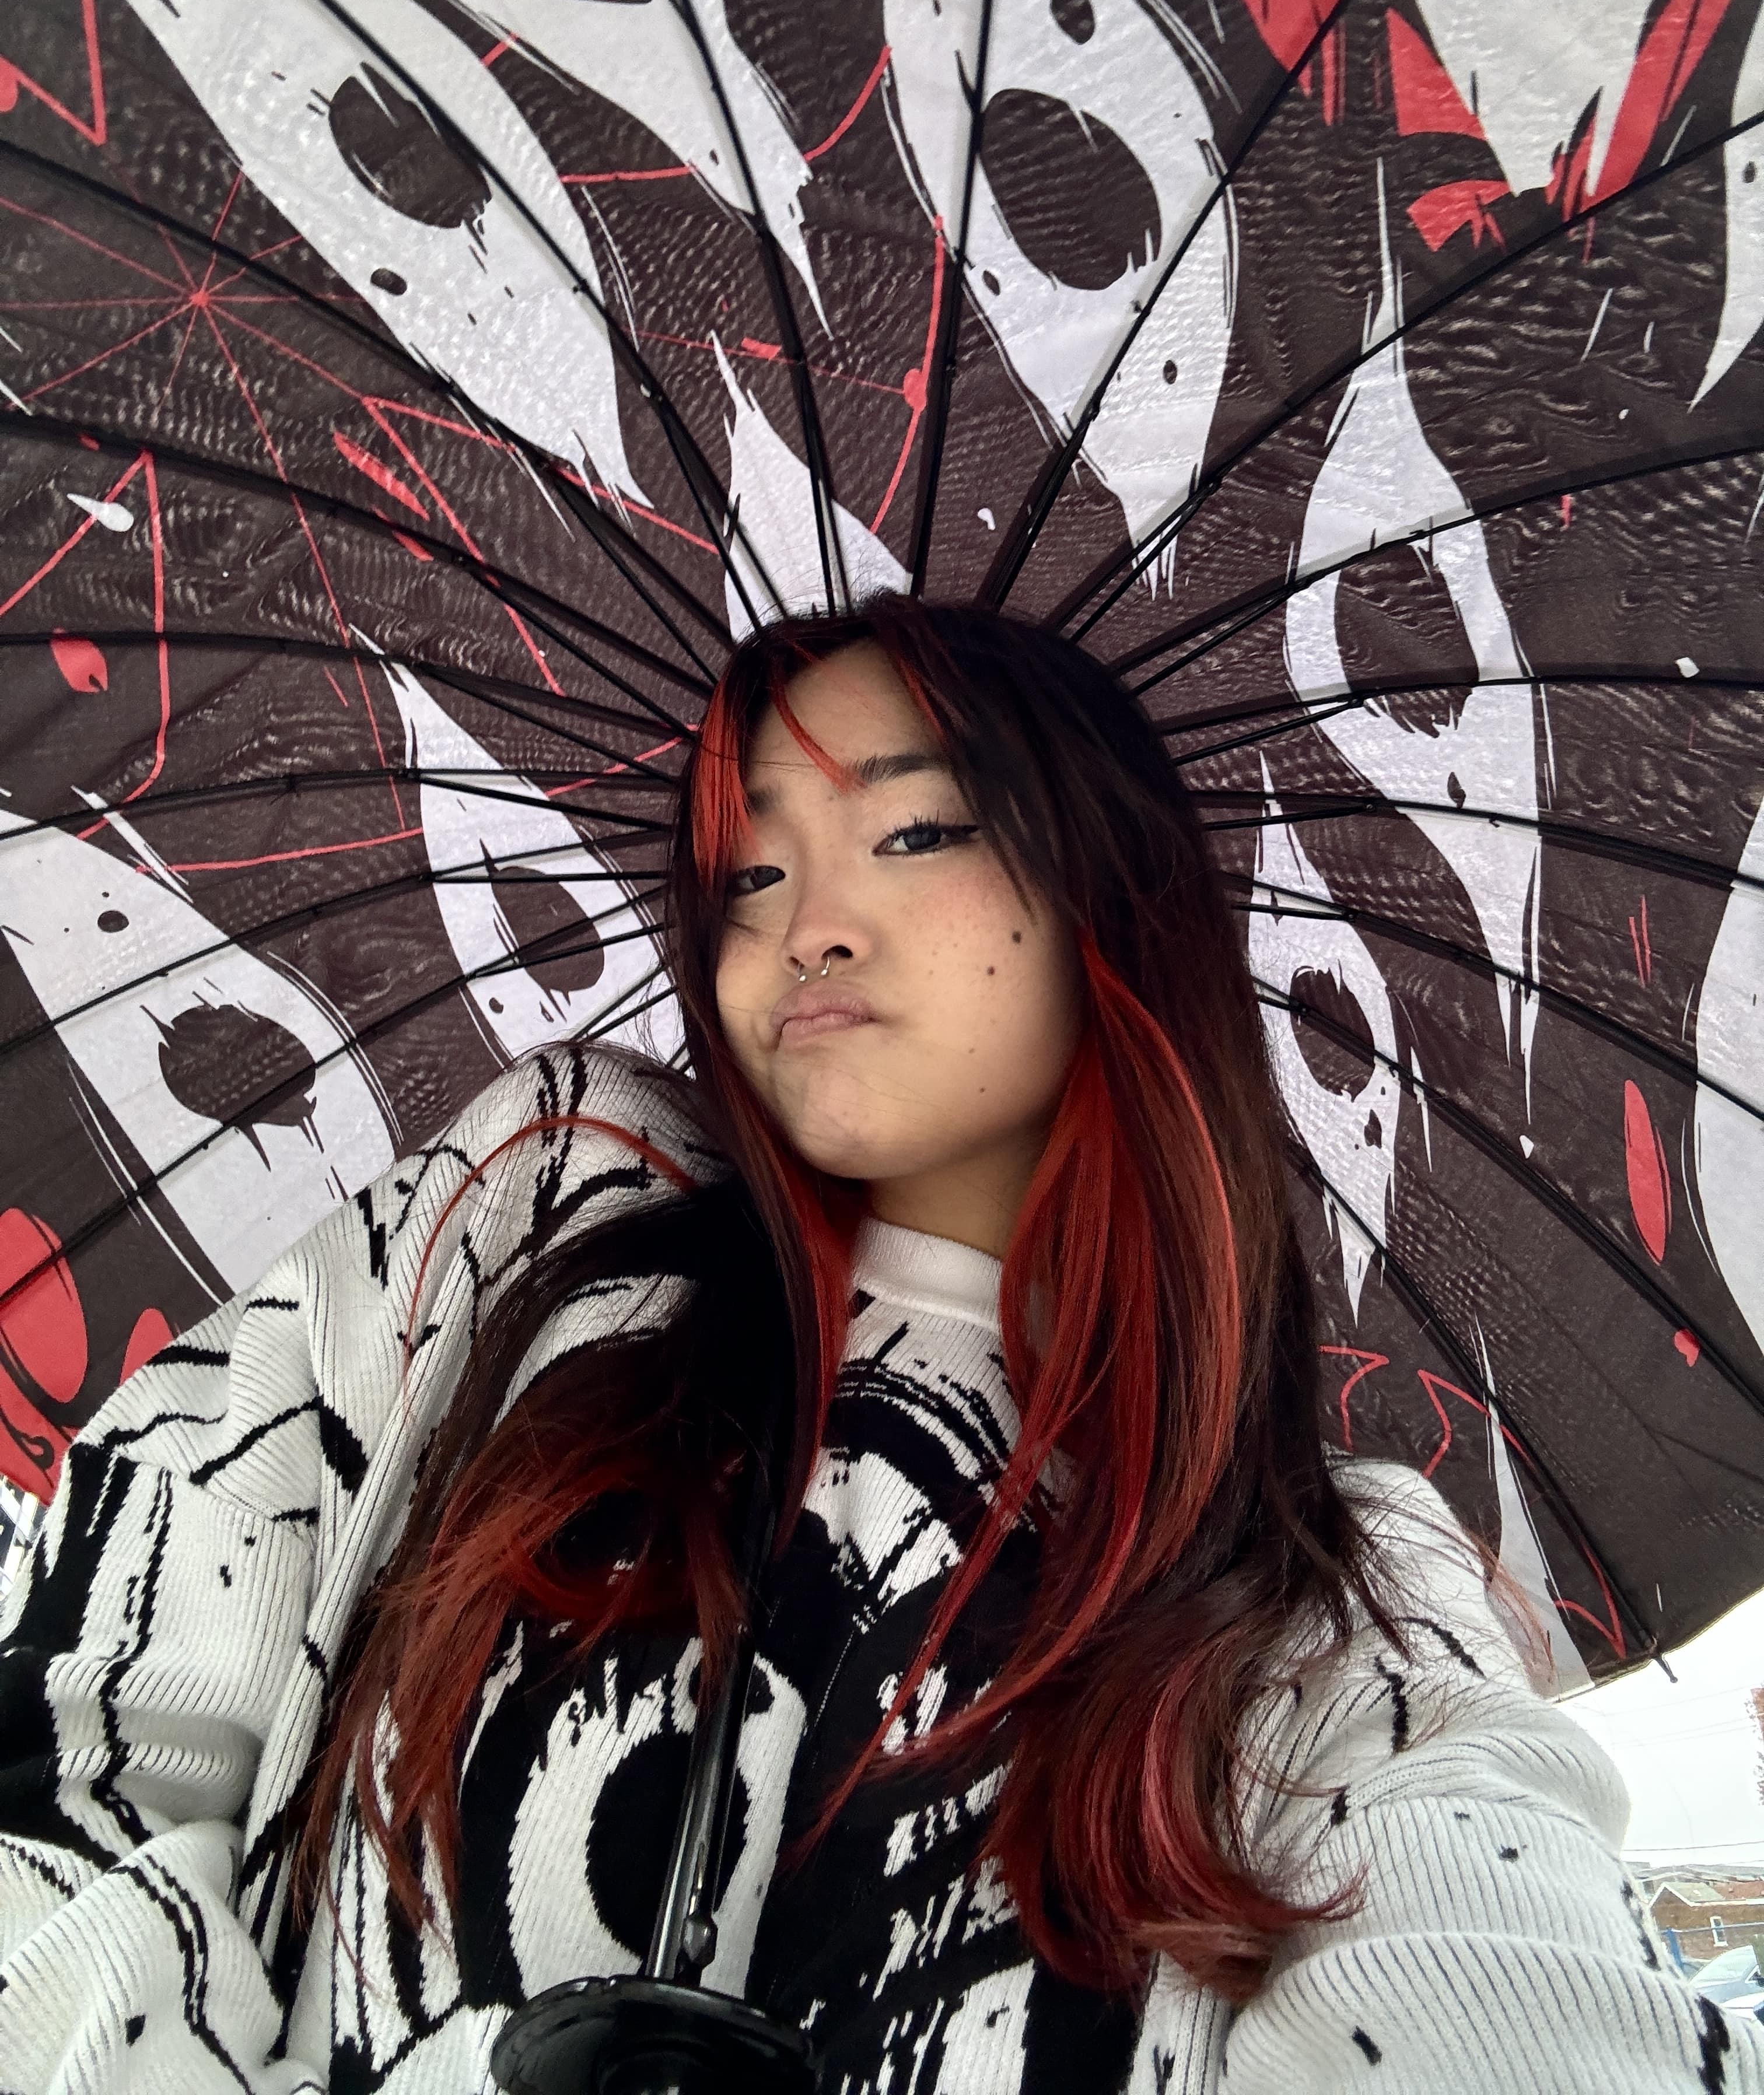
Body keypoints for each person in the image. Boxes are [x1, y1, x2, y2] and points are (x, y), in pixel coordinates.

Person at [0, 597, 1752, 2094]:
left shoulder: (1321, 1579)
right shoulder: (547, 1207)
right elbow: (77, 1728)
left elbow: (1497, 1985)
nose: (803, 926)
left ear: (1113, 894)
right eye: (748, 871)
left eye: (914, 834)